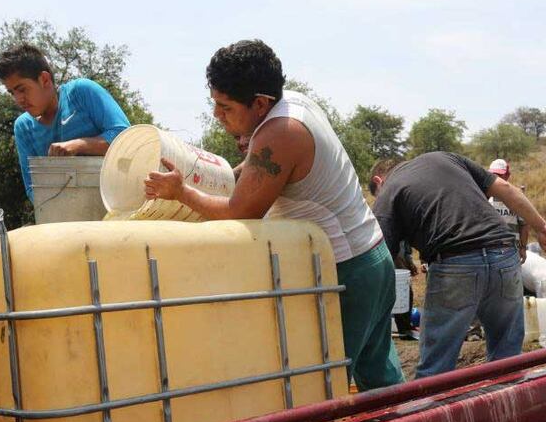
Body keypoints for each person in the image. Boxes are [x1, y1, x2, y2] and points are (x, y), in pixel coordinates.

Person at [144, 39, 404, 390]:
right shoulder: (292, 104)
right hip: (372, 257)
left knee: (322, 384)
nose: (218, 115)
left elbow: (240, 213)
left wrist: (182, 192)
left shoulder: (281, 133)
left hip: (347, 273)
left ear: (260, 103)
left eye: (225, 107)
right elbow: (259, 170)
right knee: (379, 378)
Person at [369, 153, 546, 378]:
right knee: (508, 360)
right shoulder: (446, 158)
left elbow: (381, 257)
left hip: (455, 262)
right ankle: (505, 408)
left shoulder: (389, 189)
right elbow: (507, 189)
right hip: (504, 254)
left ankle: (432, 411)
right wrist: (542, 226)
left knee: (436, 367)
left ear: (378, 182)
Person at [0, 44, 131, 201]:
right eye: (12, 93)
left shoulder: (81, 92)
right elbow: (33, 188)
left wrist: (78, 146)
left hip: (115, 205)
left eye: (22, 89)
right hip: (67, 218)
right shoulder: (23, 127)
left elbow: (125, 140)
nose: (18, 100)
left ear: (44, 79)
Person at [487, 159, 530, 262]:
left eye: (499, 175)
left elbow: (524, 225)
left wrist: (523, 248)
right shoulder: (485, 197)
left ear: (507, 176)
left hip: (511, 250)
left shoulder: (516, 198)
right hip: (490, 250)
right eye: (493, 174)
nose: (496, 178)